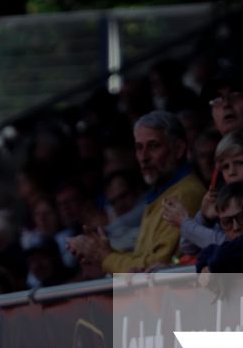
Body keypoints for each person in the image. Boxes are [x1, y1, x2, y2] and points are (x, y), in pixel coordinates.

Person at [66, 112, 206, 274]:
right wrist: (103, 254)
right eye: (139, 148)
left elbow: (155, 268)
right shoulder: (163, 192)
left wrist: (105, 257)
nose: (143, 157)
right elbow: (143, 260)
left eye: (153, 146)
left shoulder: (184, 194)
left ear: (179, 149)